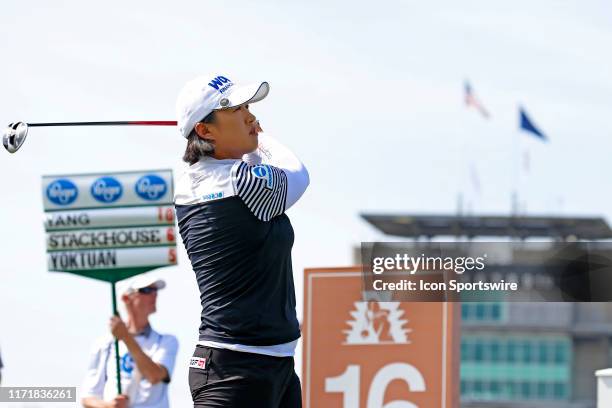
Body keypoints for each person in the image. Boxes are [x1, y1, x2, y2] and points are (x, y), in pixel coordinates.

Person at [174, 73, 309, 407]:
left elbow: (240, 164)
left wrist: (243, 137)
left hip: (273, 366)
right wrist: (261, 137)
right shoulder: (239, 182)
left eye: (247, 106)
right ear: (205, 131)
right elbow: (297, 174)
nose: (251, 116)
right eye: (236, 110)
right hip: (233, 372)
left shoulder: (202, 178)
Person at [81, 275, 178, 408]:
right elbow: (88, 397)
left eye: (155, 290)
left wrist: (126, 337)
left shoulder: (167, 341)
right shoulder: (105, 344)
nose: (154, 295)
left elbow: (154, 376)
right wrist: (109, 406)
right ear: (126, 298)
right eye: (147, 290)